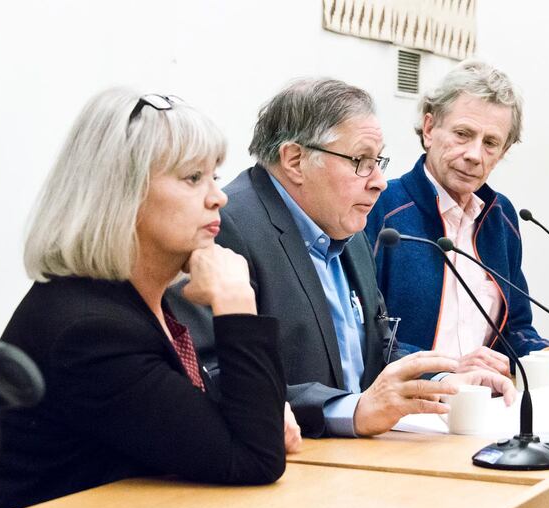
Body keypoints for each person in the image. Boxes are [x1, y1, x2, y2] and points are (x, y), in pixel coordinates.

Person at [0, 89, 293, 508]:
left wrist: (258, 418)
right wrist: (235, 301)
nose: (218, 198)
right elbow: (255, 459)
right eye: (193, 179)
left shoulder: (131, 302)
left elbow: (222, 436)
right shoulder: (91, 331)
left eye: (215, 176)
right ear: (124, 193)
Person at [169, 78, 516, 439]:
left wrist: (444, 379)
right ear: (295, 160)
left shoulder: (345, 224)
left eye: (378, 161)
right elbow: (210, 376)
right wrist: (349, 410)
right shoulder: (226, 227)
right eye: (361, 161)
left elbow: (379, 347)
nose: (379, 181)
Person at [365, 60, 549, 385]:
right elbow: (365, 337)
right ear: (429, 129)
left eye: (491, 143)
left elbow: (516, 330)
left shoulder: (501, 216)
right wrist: (448, 370)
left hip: (486, 406)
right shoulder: (380, 207)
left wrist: (546, 355)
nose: (474, 155)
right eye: (463, 134)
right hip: (407, 409)